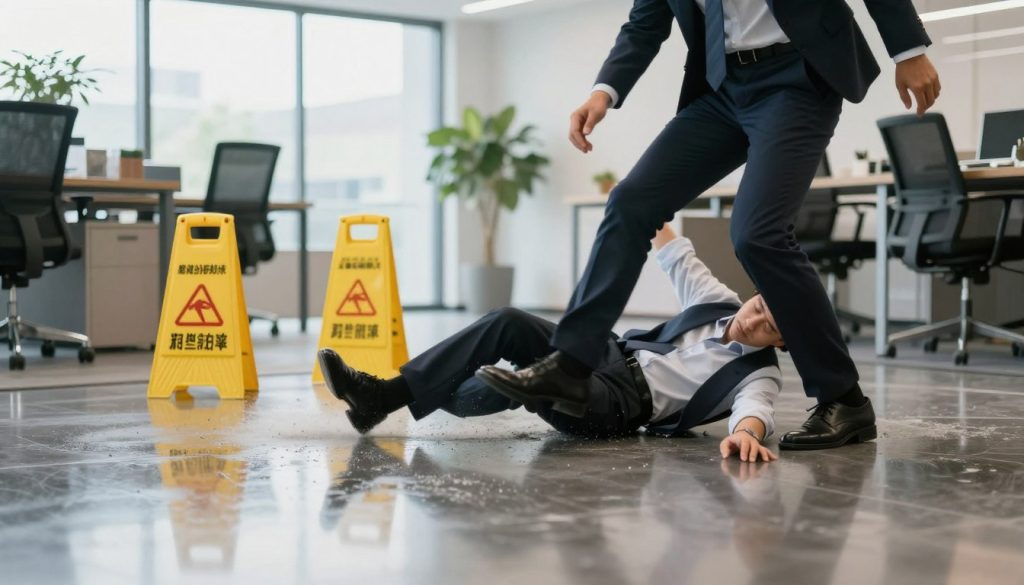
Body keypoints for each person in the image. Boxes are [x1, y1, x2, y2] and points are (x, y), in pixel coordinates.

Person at [477, 0, 940, 450]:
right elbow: (645, 22)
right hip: (724, 86)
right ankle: (571, 364)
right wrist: (603, 92)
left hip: (798, 77)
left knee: (758, 234)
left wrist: (908, 50)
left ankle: (844, 399)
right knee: (631, 201)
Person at [318, 224, 803, 462]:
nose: (754, 319)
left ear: (780, 343)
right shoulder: (719, 300)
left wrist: (746, 435)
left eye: (769, 326)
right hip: (607, 352)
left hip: (614, 407)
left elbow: (754, 411)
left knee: (508, 386)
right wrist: (642, 203)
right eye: (759, 305)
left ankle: (389, 397)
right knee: (508, 321)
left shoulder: (758, 373)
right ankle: (383, 398)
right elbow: (678, 255)